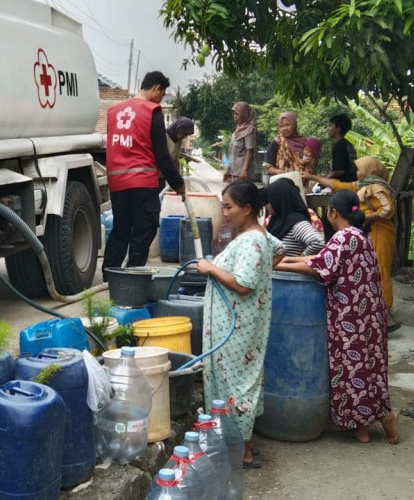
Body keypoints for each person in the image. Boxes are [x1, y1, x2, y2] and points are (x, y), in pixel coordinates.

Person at [275, 190, 399, 444]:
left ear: (333, 212)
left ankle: (386, 418)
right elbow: (321, 257)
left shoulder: (343, 236)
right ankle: (361, 427)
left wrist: (276, 265)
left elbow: (319, 267)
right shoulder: (359, 235)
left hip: (350, 317)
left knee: (351, 367)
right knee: (368, 365)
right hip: (368, 316)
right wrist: (287, 259)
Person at [195, 180, 285, 467]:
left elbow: (245, 285)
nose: (224, 212)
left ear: (247, 209)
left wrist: (210, 267)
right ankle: (237, 443)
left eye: (229, 206)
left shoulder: (252, 240)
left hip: (238, 328)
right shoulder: (258, 236)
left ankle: (242, 451)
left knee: (236, 384)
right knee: (235, 381)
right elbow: (279, 250)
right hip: (238, 325)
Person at [102, 71, 185, 279]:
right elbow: (161, 154)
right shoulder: (151, 110)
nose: (160, 99)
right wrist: (178, 184)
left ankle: (109, 277)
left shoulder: (113, 110)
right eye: (162, 94)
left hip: (117, 182)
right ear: (157, 88)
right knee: (143, 230)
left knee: (120, 230)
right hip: (142, 182)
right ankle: (132, 277)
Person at [303, 156, 398, 329]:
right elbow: (338, 185)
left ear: (370, 170)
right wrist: (314, 177)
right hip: (369, 232)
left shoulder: (377, 188)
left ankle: (386, 314)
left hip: (381, 233)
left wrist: (365, 217)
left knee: (381, 270)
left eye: (359, 169)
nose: (357, 173)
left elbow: (387, 210)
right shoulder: (362, 185)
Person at [264, 178, 325, 256]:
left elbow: (318, 242)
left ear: (278, 200)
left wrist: (298, 260)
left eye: (268, 201)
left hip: (286, 267)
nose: (266, 205)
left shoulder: (296, 222)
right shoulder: (276, 220)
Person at [224, 102, 258, 182]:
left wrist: (244, 170)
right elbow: (232, 153)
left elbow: (250, 151)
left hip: (243, 174)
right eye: (234, 114)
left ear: (244, 114)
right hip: (233, 172)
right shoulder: (237, 130)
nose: (235, 117)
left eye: (237, 114)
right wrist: (228, 170)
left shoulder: (250, 130)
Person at [327, 114, 357, 181]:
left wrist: (325, 180)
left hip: (344, 185)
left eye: (331, 126)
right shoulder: (348, 144)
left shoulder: (338, 147)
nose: (328, 128)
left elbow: (340, 171)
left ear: (338, 129)